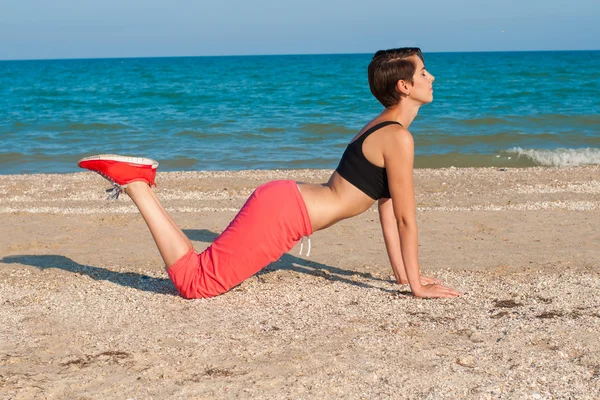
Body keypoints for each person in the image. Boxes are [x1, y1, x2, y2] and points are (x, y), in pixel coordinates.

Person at [78, 48, 462, 299]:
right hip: (285, 213)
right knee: (195, 284)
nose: (432, 78)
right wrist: (417, 287)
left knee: (202, 270)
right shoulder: (396, 137)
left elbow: (387, 207)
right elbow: (406, 217)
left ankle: (138, 182)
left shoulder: (384, 128)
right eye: (425, 72)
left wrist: (402, 276)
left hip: (284, 202)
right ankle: (137, 185)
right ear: (404, 86)